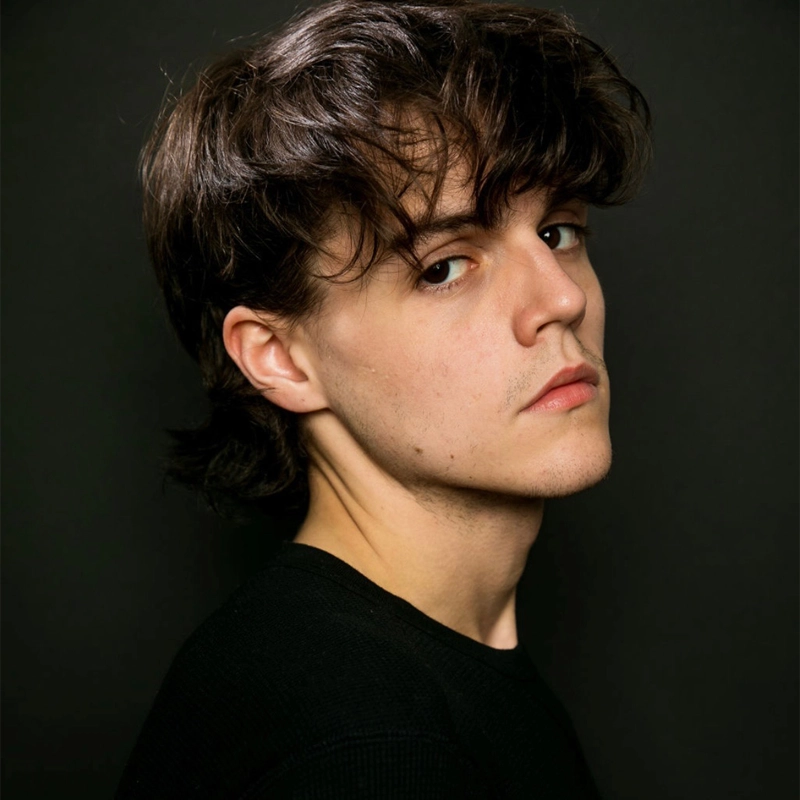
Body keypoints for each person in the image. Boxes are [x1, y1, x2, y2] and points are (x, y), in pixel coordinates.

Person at [117, 0, 650, 796]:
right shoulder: (366, 746)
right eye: (444, 267)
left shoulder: (413, 668)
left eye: (557, 232)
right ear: (280, 358)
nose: (560, 299)